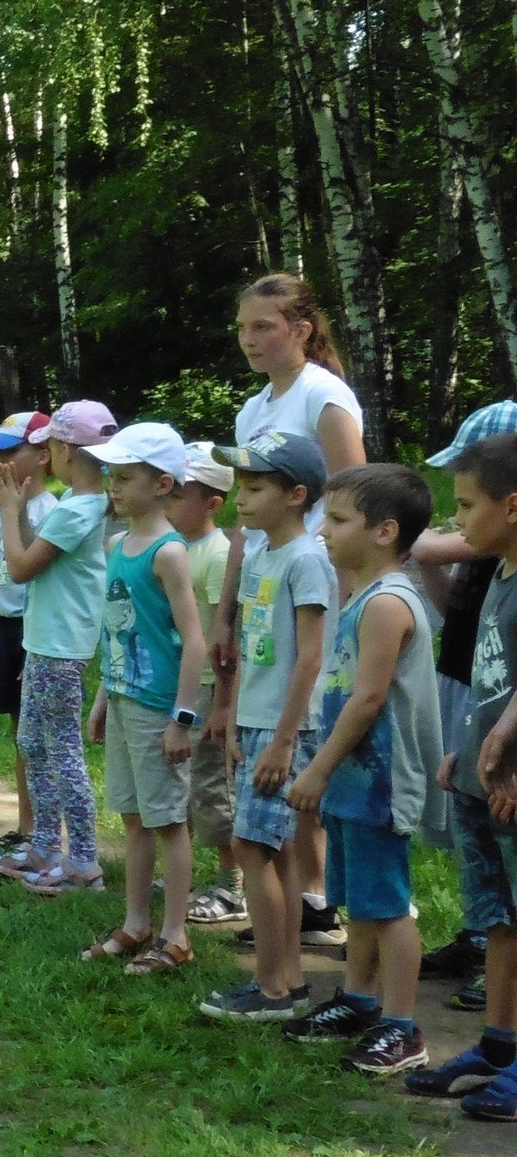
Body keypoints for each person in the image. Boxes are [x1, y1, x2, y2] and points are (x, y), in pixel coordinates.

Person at [216, 273, 368, 949]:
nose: (250, 341)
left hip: (317, 593)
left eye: (264, 328)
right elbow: (245, 525)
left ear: (301, 331)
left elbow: (356, 506)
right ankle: (307, 901)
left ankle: (327, 898)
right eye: (243, 329)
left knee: (305, 739)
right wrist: (226, 609)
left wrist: (352, 603)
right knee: (283, 746)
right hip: (266, 592)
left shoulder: (326, 398)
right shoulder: (254, 409)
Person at [281, 464, 447, 1076]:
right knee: (360, 902)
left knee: (389, 905)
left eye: (340, 519)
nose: (324, 530)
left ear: (384, 531)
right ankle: (357, 1000)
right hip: (355, 779)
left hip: (379, 780)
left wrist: (317, 770)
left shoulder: (388, 603)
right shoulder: (363, 597)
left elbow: (369, 699)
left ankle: (402, 1027)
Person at [197, 431, 334, 1024]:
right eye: (240, 486)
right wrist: (232, 716)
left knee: (254, 847)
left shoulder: (306, 559)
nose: (241, 499)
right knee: (269, 852)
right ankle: (288, 980)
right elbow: (252, 649)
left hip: (287, 729)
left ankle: (272, 987)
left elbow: (310, 656)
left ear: (296, 495)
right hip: (257, 722)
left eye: (255, 488)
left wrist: (282, 738)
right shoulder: (258, 552)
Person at [406, 432, 517, 1118]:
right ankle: (499, 1045)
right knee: (500, 922)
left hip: (511, 784)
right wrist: (469, 741)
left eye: (467, 506)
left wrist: (505, 738)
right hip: (482, 777)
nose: (456, 519)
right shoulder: (498, 571)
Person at [77, 423, 213, 973]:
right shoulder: (116, 544)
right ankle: (136, 923)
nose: (113, 485)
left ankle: (176, 934)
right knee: (133, 818)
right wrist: (104, 698)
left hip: (160, 708)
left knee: (168, 821)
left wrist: (181, 719)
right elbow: (117, 632)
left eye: (126, 477)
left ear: (162, 485)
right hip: (125, 698)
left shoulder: (168, 553)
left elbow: (194, 640)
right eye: (111, 475)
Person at [0, 401, 118, 895]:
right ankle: (43, 845)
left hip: (62, 646)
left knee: (61, 750)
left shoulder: (79, 508)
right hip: (45, 641)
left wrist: (7, 509)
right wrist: (14, 512)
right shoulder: (78, 504)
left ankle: (83, 861)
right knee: (33, 743)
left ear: (61, 450)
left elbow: (20, 569)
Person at [0, 411, 56, 852]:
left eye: (10, 452)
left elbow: (45, 582)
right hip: (5, 628)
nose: (0, 461)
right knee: (18, 730)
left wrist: (35, 642)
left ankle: (43, 829)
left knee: (37, 733)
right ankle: (27, 825)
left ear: (44, 455)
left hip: (35, 629)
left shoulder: (50, 513)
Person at [171, 447, 243, 922]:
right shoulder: (175, 550)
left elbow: (225, 637)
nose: (168, 500)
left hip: (208, 688)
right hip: (178, 686)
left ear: (213, 503)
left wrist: (223, 705)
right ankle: (186, 872)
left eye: (180, 493)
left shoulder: (217, 555)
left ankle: (231, 885)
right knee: (184, 784)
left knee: (212, 788)